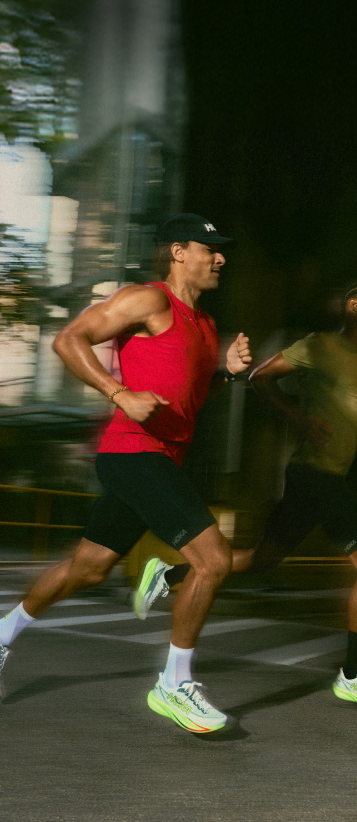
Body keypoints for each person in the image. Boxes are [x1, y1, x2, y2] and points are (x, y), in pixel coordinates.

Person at [0, 213, 253, 732]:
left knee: (88, 569)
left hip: (158, 459)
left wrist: (225, 369)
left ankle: (2, 635)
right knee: (213, 561)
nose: (221, 257)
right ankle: (173, 683)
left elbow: (186, 394)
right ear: (179, 251)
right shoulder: (149, 300)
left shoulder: (204, 325)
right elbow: (68, 339)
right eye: (211, 248)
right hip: (134, 452)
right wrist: (119, 394)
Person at [134, 279, 357, 710]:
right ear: (355, 306)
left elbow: (349, 427)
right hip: (314, 476)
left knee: (263, 559)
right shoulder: (321, 346)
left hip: (325, 477)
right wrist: (298, 419)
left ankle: (170, 574)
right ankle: (354, 675)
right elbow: (260, 377)